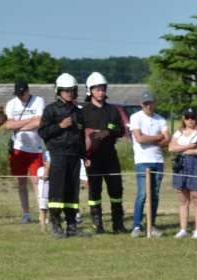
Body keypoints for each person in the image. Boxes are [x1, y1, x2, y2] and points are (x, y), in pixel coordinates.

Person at [38, 73, 88, 238]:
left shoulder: (78, 112)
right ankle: (56, 224)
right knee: (57, 192)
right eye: (66, 90)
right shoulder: (51, 110)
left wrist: (84, 155)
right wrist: (60, 125)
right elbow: (43, 132)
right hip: (58, 155)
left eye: (72, 90)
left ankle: (72, 226)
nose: (69, 93)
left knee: (72, 192)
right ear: (59, 91)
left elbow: (80, 137)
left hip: (74, 156)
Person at [81, 72, 127, 233]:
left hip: (110, 156)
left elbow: (120, 129)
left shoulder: (112, 110)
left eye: (103, 89)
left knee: (116, 190)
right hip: (92, 159)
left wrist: (107, 131)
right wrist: (84, 155)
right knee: (94, 190)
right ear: (90, 90)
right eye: (97, 89)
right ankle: (97, 225)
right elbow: (79, 136)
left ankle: (118, 224)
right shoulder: (83, 111)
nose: (101, 92)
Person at [129, 91, 169, 238]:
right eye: (146, 104)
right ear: (141, 104)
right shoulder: (136, 117)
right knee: (142, 194)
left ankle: (151, 225)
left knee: (155, 194)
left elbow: (167, 140)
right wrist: (158, 137)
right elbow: (139, 138)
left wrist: (152, 139)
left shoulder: (161, 120)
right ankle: (137, 225)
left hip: (158, 161)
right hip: (142, 161)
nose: (149, 106)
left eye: (151, 103)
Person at [4, 81, 45, 224]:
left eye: (23, 94)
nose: (21, 97)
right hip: (18, 148)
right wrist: (29, 121)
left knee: (37, 181)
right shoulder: (11, 104)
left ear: (28, 91)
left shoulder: (39, 101)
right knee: (21, 182)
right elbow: (9, 124)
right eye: (18, 94)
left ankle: (42, 213)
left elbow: (39, 122)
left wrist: (19, 126)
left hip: (36, 149)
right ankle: (26, 213)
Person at [169, 108, 197, 239]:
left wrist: (181, 149)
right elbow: (171, 148)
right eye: (187, 117)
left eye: (192, 117)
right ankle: (183, 229)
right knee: (183, 198)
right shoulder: (178, 132)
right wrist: (189, 147)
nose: (190, 120)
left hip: (196, 164)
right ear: (183, 119)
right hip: (181, 165)